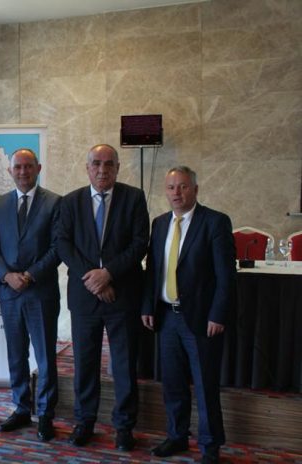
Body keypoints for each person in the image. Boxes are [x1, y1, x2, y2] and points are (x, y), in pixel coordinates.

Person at [56, 143, 149, 451]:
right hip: (85, 297)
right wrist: (94, 279)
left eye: (109, 164)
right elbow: (63, 244)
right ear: (87, 168)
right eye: (96, 163)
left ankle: (124, 427)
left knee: (123, 365)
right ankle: (85, 422)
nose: (102, 169)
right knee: (85, 364)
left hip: (122, 294)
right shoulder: (70, 201)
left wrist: (108, 273)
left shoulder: (134, 198)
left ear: (118, 168)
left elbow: (140, 243)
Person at [142, 166, 236, 464]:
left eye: (183, 186)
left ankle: (210, 446)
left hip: (201, 319)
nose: (177, 193)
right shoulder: (159, 224)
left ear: (195, 189)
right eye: (171, 187)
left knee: (205, 386)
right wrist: (147, 306)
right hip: (166, 317)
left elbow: (226, 276)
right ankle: (177, 436)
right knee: (172, 384)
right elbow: (153, 271)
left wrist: (218, 314)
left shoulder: (215, 222)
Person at [0, 148, 61, 441]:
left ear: (38, 168)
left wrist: (28, 275)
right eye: (17, 167)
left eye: (28, 166)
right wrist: (6, 275)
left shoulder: (54, 202)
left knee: (45, 356)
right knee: (16, 354)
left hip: (40, 290)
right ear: (10, 171)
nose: (23, 172)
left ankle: (46, 414)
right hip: (9, 292)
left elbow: (57, 247)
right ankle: (21, 408)